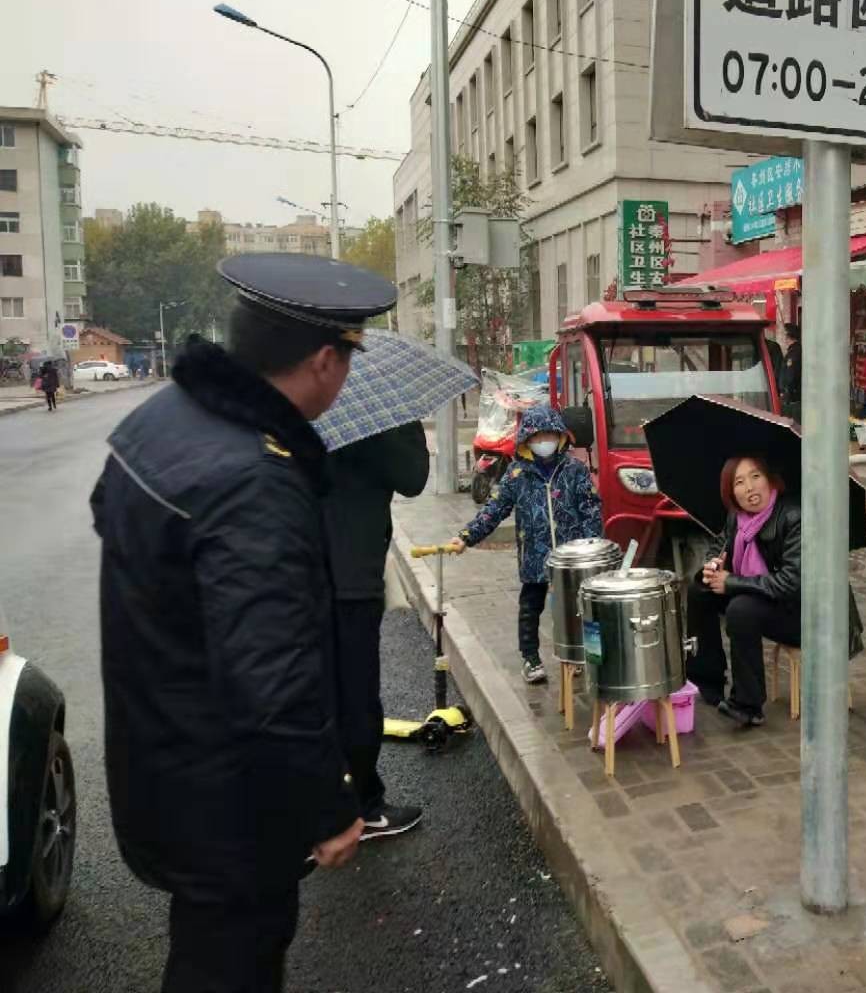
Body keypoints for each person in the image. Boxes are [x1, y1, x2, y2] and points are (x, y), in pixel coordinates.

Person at [90, 253, 396, 993]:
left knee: (205, 949)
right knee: (232, 960)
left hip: (158, 760)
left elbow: (114, 523)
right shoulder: (254, 480)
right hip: (228, 800)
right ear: (323, 361)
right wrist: (328, 808)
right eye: (348, 359)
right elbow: (272, 680)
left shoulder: (166, 417)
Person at [686, 456, 863, 727]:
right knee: (700, 591)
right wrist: (712, 565)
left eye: (756, 477)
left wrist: (732, 582)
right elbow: (719, 543)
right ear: (731, 491)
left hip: (810, 614)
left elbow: (790, 583)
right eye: (739, 482)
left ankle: (748, 705)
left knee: (741, 610)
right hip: (773, 602)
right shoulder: (738, 518)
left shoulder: (795, 517)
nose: (749, 488)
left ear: (771, 480)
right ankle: (707, 681)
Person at [322, 421, 430, 840]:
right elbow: (413, 476)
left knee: (317, 692)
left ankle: (315, 807)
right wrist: (402, 425)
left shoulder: (298, 408)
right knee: (356, 697)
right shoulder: (372, 418)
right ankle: (360, 806)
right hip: (349, 576)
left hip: (301, 566)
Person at [450, 404, 601, 684]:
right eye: (537, 436)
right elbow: (494, 509)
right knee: (530, 607)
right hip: (535, 556)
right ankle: (531, 658)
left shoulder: (575, 471)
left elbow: (591, 510)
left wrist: (592, 549)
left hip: (572, 558)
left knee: (579, 607)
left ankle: (578, 654)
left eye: (549, 435)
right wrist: (467, 535)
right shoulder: (516, 475)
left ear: (560, 436)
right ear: (527, 440)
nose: (544, 441)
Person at [780, 322, 802, 420]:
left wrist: (785, 392)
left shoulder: (794, 353)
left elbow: (790, 376)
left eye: (784, 334)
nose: (783, 337)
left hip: (792, 399)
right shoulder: (793, 351)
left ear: (788, 336)